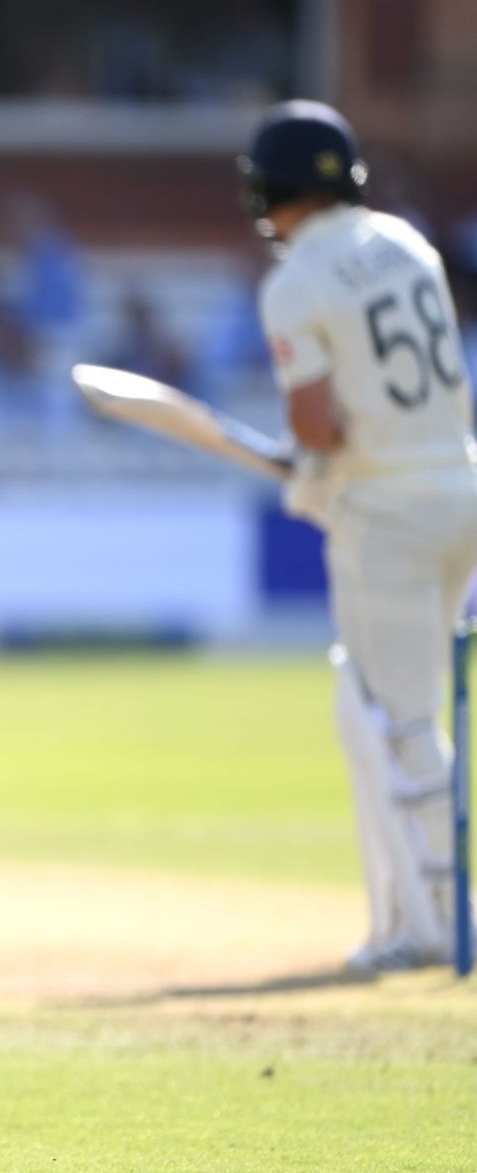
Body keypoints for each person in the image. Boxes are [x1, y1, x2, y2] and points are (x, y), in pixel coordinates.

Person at [245, 100, 477, 972]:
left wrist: (315, 471)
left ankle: (444, 922)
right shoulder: (410, 243)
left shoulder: (295, 280)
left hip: (389, 513)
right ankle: (411, 916)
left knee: (402, 722)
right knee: (379, 707)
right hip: (461, 488)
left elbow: (318, 422)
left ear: (274, 190)